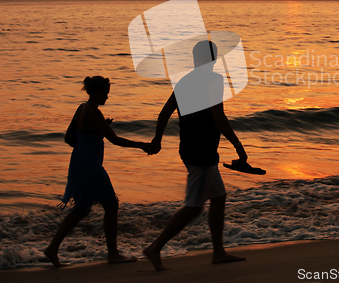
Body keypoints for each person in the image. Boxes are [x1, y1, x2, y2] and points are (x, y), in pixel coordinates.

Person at [143, 40, 248, 271]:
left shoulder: (184, 81)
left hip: (190, 148)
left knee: (218, 197)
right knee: (194, 206)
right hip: (202, 151)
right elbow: (218, 116)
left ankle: (219, 252)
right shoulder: (214, 79)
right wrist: (238, 146)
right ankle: (155, 248)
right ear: (213, 59)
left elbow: (163, 114)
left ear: (195, 58)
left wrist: (157, 140)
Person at [44, 76, 154, 267]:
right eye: (106, 92)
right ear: (98, 91)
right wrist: (142, 145)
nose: (107, 97)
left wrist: (93, 136)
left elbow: (70, 138)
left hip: (79, 160)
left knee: (82, 208)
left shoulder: (81, 108)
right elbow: (115, 140)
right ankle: (112, 254)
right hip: (90, 165)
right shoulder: (94, 113)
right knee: (111, 204)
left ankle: (52, 248)